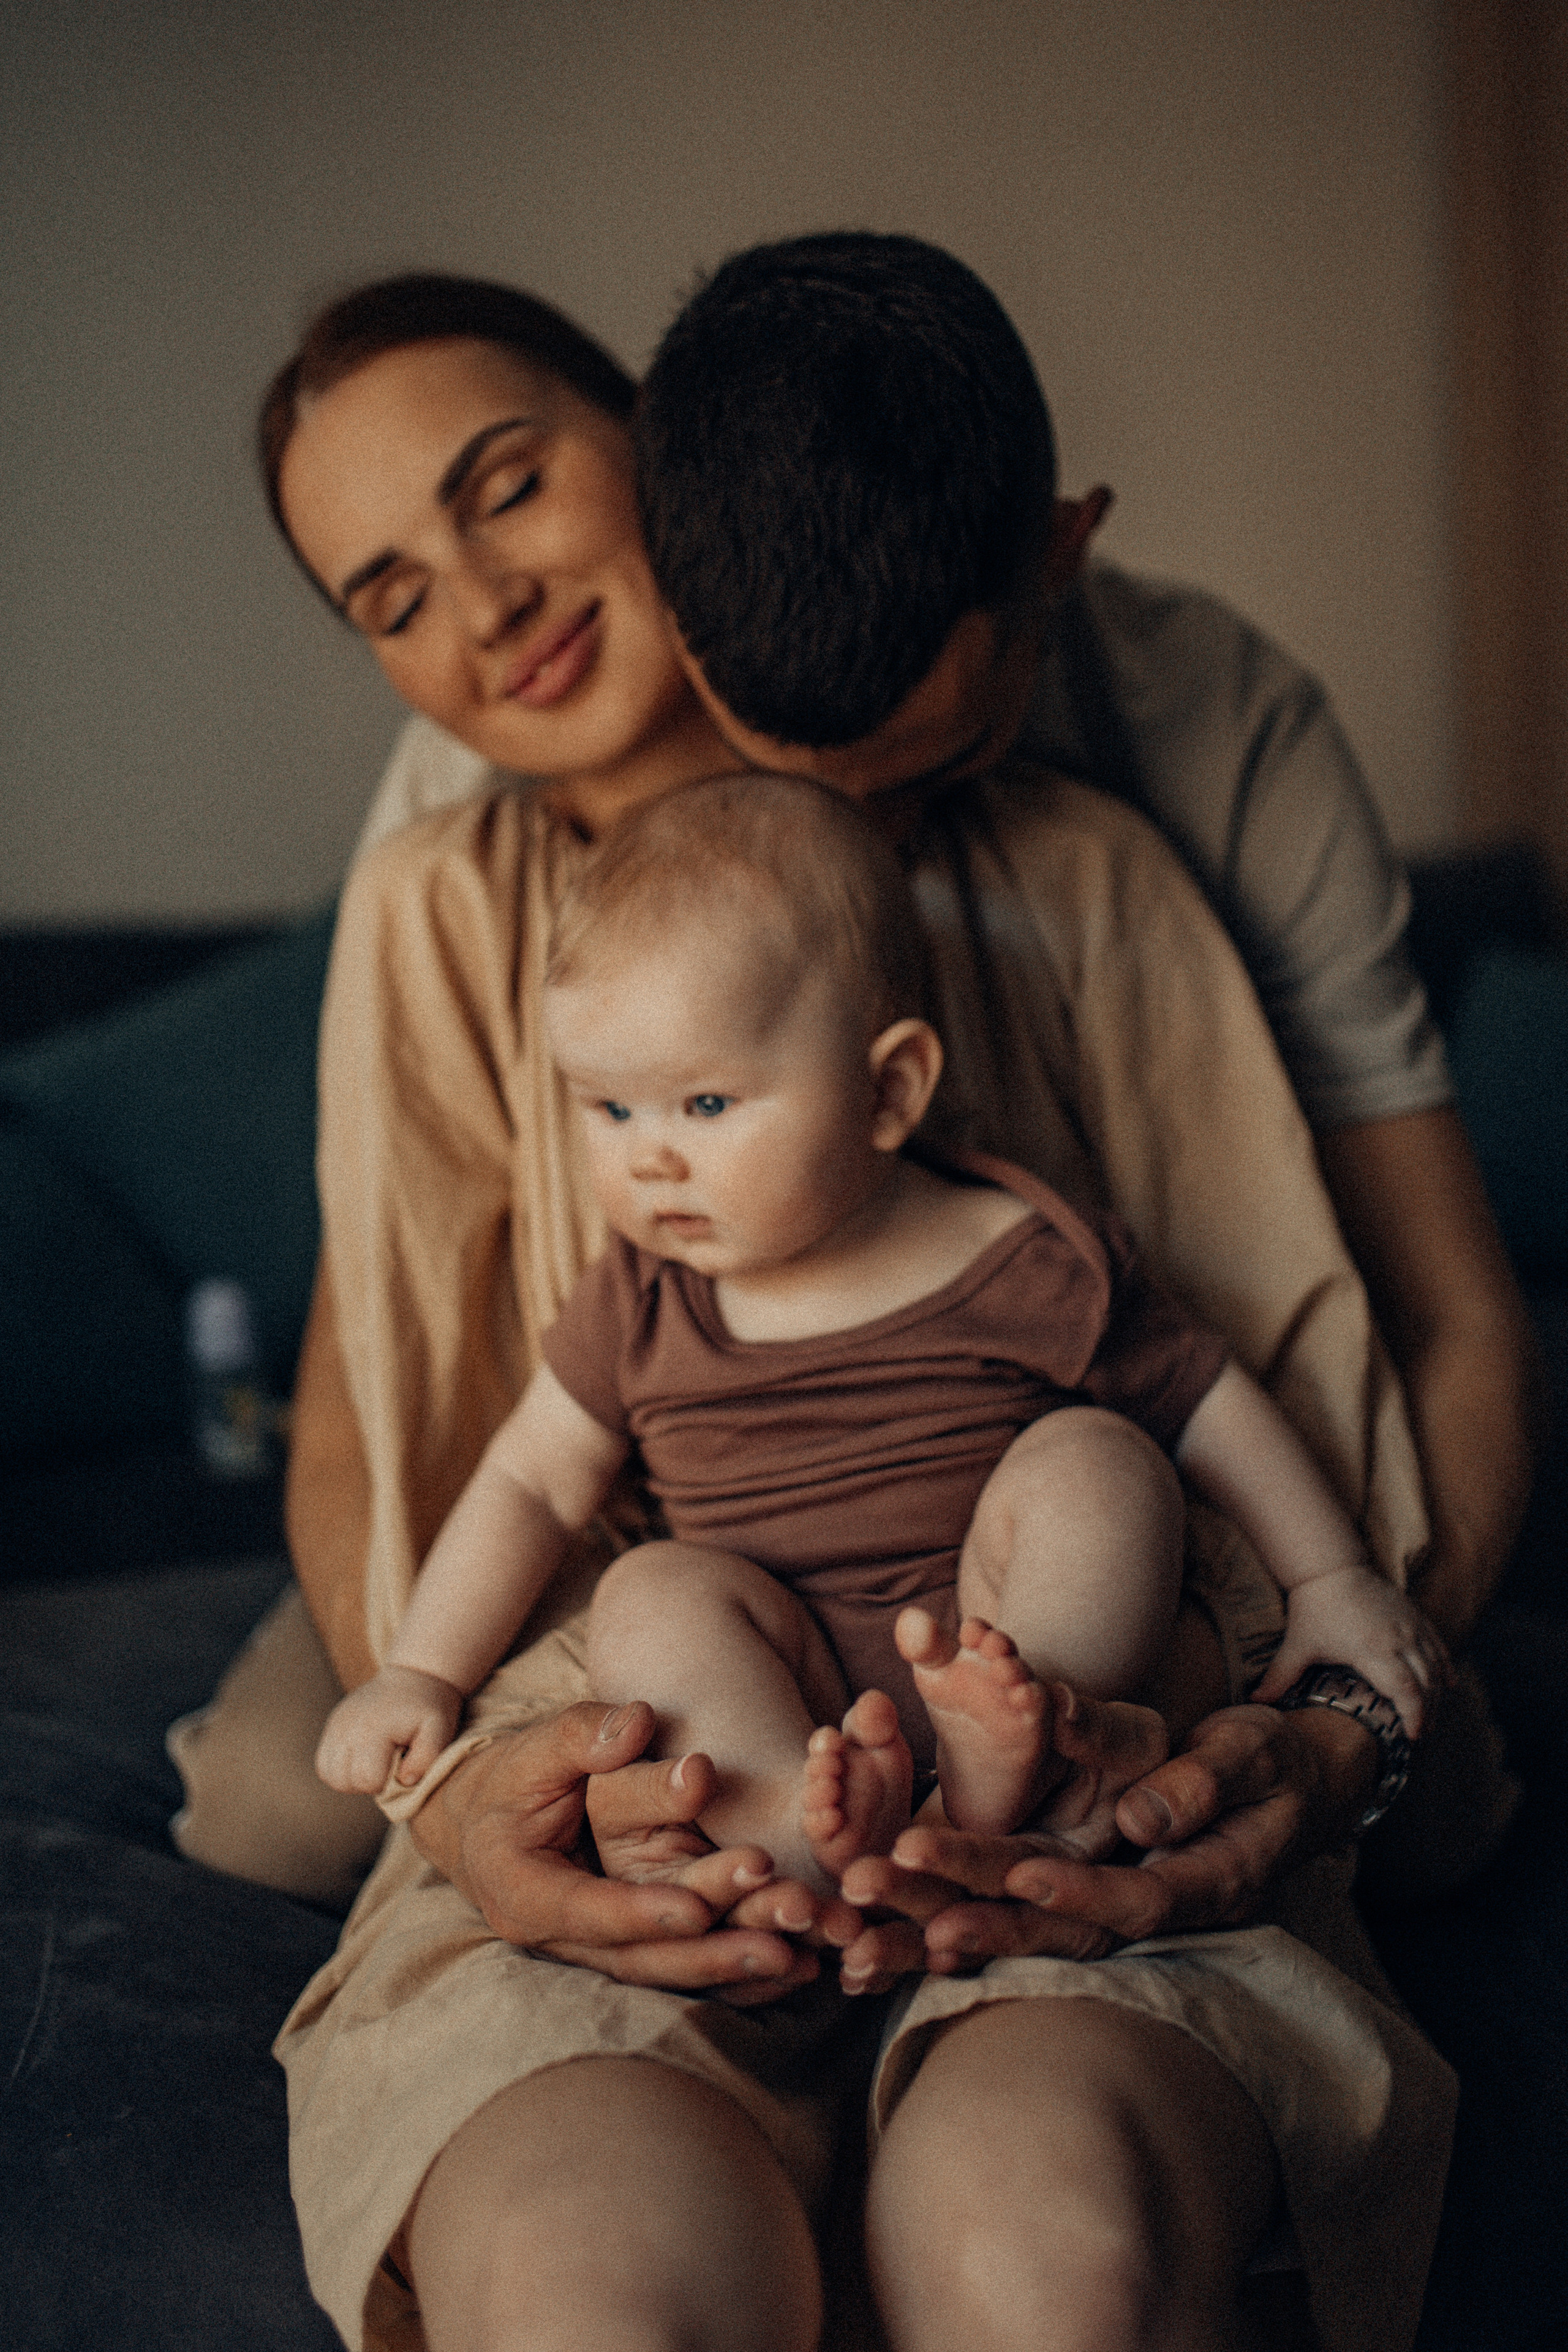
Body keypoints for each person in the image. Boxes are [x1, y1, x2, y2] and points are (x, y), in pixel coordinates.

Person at [256, 262, 1462, 2352]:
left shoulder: (1097, 847)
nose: (488, 605)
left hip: (1066, 1710)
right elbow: (397, 1418)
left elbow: (1303, 1380)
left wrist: (1317, 1711)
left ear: (670, 465)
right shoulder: (443, 891)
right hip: (646, 1717)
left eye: (512, 487)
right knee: (588, 2273)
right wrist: (441, 1763)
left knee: (1047, 2250)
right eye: (391, 596)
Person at [317, 772, 1446, 1901]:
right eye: (609, 1109)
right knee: (652, 1590)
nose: (648, 1160)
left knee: (1101, 1462)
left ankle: (1026, 1744)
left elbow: (1212, 1406)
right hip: (777, 1663)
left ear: (891, 1090)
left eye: (705, 1105)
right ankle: (797, 1832)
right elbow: (528, 1483)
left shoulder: (1020, 1255)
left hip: (996, 1627)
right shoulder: (642, 1299)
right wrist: (421, 1672)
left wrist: (1331, 1578)